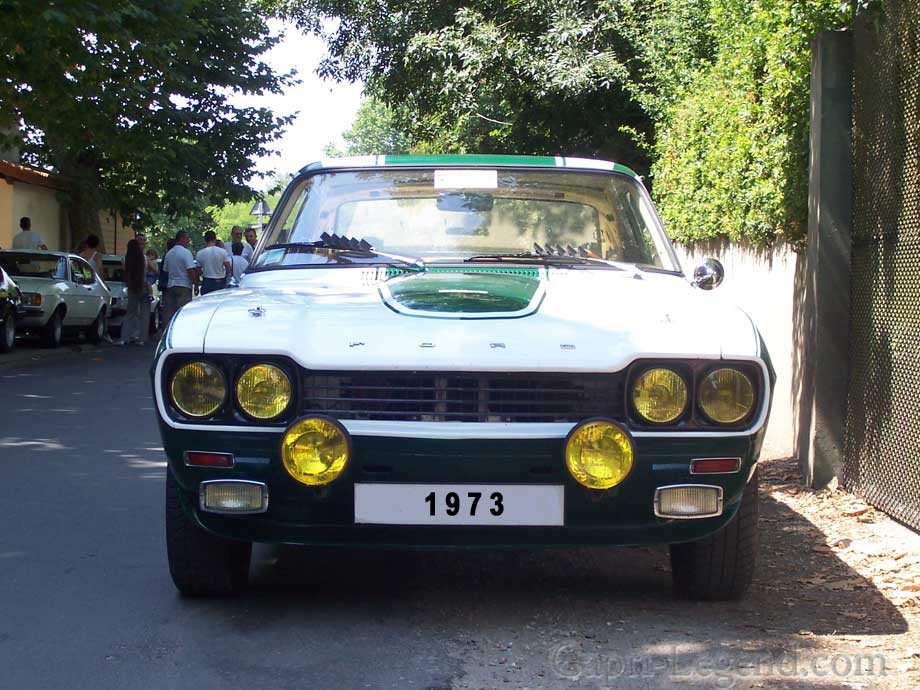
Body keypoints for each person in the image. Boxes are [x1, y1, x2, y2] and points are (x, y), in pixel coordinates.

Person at [161, 230, 198, 324]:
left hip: (171, 285)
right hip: (184, 285)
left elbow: (166, 270)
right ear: (181, 238)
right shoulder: (186, 253)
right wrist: (196, 284)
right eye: (187, 238)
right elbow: (190, 270)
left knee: (170, 313)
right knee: (183, 313)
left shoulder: (169, 254)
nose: (189, 241)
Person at [118, 239, 148, 345]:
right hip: (143, 286)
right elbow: (145, 272)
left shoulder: (126, 259)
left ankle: (124, 338)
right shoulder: (143, 258)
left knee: (130, 313)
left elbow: (126, 272)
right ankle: (142, 339)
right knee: (144, 314)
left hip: (132, 287)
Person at [197, 230, 231, 295]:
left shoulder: (200, 253)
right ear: (215, 239)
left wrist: (203, 274)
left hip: (207, 280)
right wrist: (225, 276)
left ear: (205, 240)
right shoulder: (222, 252)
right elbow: (228, 268)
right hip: (220, 280)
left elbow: (198, 270)